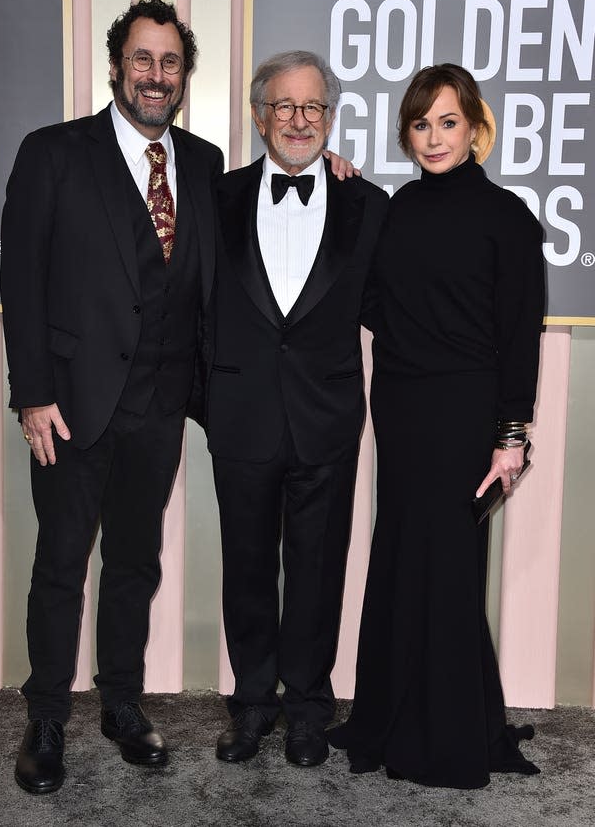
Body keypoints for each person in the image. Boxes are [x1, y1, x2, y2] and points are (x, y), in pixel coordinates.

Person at [0, 0, 223, 794]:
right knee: (61, 564)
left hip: (160, 407)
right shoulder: (53, 153)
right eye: (142, 59)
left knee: (135, 561)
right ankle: (47, 718)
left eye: (169, 62)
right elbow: (20, 283)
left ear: (183, 74)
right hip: (70, 406)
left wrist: (335, 173)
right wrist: (32, 394)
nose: (155, 76)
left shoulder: (202, 162)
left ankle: (121, 704)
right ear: (116, 66)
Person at [327, 64, 545, 789]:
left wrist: (511, 437)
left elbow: (519, 334)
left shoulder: (509, 217)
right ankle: (388, 714)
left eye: (447, 122)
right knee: (397, 557)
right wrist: (349, 191)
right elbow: (369, 298)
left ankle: (448, 738)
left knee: (448, 573)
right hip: (400, 405)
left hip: (466, 414)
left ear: (475, 126)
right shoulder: (396, 210)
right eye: (420, 124)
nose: (433, 137)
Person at [206, 51, 389, 767]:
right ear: (258, 115)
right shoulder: (214, 197)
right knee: (246, 567)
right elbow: (189, 306)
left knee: (319, 569)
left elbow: (393, 308)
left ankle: (310, 705)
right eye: (283, 106)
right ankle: (252, 703)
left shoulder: (366, 203)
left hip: (328, 417)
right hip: (241, 414)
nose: (298, 120)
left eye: (312, 107)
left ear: (330, 117)